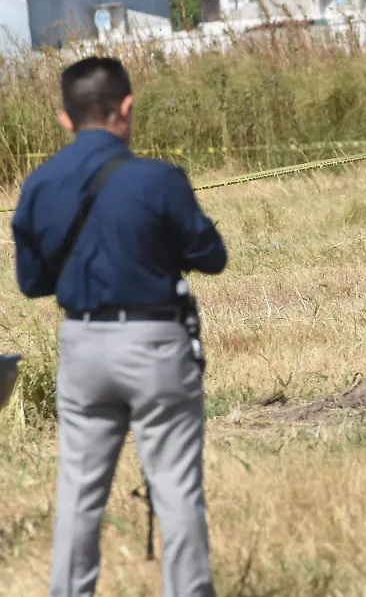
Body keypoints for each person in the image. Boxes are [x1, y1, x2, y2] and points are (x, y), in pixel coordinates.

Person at [11, 57, 227, 597]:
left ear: (66, 119)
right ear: (126, 108)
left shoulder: (38, 185)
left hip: (82, 346)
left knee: (80, 492)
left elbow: (32, 283)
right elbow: (211, 256)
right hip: (156, 344)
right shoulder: (159, 179)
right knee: (175, 487)